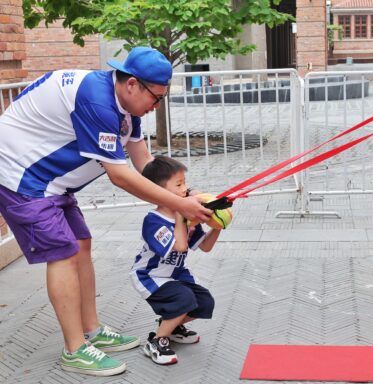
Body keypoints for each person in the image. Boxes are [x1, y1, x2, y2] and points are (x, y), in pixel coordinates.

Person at [0, 47, 213, 376]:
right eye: (155, 98)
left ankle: (92, 329)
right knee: (64, 253)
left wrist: (183, 195)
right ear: (132, 84)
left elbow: (145, 165)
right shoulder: (98, 102)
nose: (156, 106)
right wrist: (179, 204)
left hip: (52, 181)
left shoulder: (129, 106)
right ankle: (75, 349)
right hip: (22, 177)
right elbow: (120, 175)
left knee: (81, 243)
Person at [130, 156, 219, 365]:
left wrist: (217, 224)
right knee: (183, 299)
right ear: (158, 191)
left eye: (185, 183)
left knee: (205, 302)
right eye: (179, 184)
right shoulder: (153, 221)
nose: (185, 189)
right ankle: (156, 340)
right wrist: (182, 216)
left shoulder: (186, 216)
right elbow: (179, 246)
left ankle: (172, 325)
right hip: (151, 276)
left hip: (175, 274)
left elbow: (205, 246)